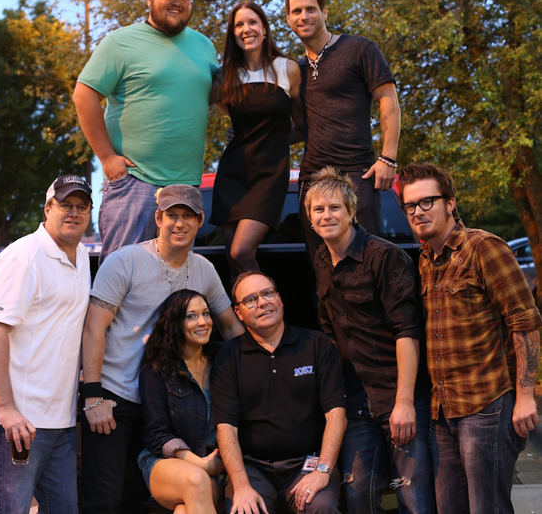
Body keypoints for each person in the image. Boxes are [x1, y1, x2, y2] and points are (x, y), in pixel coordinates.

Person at [80, 183, 243, 514]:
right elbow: (94, 326)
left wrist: (258, 368)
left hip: (169, 403)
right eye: (172, 215)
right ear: (158, 218)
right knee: (106, 498)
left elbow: (229, 325)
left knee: (145, 501)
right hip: (117, 396)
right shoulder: (126, 261)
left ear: (200, 222)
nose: (179, 223)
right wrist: (92, 395)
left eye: (188, 216)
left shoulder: (203, 269)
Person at [399, 162, 541, 514]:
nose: (418, 211)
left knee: (487, 507)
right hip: (444, 411)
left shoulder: (484, 249)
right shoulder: (424, 260)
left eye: (427, 201)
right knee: (450, 506)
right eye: (410, 205)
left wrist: (525, 396)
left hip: (487, 405)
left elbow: (525, 322)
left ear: (450, 203)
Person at [304, 166, 433, 513]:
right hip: (357, 398)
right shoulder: (321, 259)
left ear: (351, 212)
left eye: (334, 208)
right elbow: (330, 331)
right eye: (319, 210)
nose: (327, 215)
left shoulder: (384, 256)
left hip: (399, 393)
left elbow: (407, 330)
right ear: (310, 219)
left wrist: (404, 402)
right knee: (359, 494)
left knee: (413, 497)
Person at [73, 0, 218, 263]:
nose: (177, 1)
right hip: (135, 183)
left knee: (174, 286)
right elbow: (84, 95)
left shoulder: (204, 46)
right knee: (122, 278)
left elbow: (223, 99)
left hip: (186, 187)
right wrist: (107, 158)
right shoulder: (120, 42)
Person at [0, 176, 93, 513]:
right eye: (65, 205)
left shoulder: (81, 256)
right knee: (8, 509)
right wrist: (7, 409)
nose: (73, 212)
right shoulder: (22, 257)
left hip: (61, 420)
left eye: (81, 207)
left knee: (64, 507)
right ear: (47, 208)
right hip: (16, 422)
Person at [211, 271, 347, 514]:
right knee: (246, 510)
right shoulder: (228, 357)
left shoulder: (316, 344)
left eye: (268, 293)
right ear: (239, 313)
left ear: (280, 299)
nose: (262, 302)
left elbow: (336, 414)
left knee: (321, 508)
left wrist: (322, 471)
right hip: (253, 468)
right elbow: (226, 428)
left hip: (307, 463)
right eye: (251, 299)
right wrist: (241, 486)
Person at [285, 0, 401, 260]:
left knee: (367, 261)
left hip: (356, 172)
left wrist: (388, 158)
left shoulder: (359, 49)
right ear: (288, 18)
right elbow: (299, 128)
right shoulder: (295, 69)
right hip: (312, 178)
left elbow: (388, 99)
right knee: (321, 266)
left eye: (311, 9)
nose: (304, 16)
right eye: (297, 11)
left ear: (324, 12)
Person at [210, 1, 302, 274]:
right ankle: (241, 318)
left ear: (264, 28)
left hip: (269, 176)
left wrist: (274, 141)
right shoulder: (226, 76)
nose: (246, 29)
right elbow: (215, 108)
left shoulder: (287, 68)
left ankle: (272, 315)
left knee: (241, 251)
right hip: (231, 175)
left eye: (252, 22)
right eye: (239, 25)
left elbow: (303, 126)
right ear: (232, 34)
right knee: (233, 262)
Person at [138, 289, 225, 513]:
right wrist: (202, 464)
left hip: (220, 468)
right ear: (175, 323)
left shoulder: (223, 361)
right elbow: (157, 435)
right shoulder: (156, 369)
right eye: (191, 316)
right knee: (196, 480)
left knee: (184, 510)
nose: (203, 322)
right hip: (166, 464)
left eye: (206, 313)